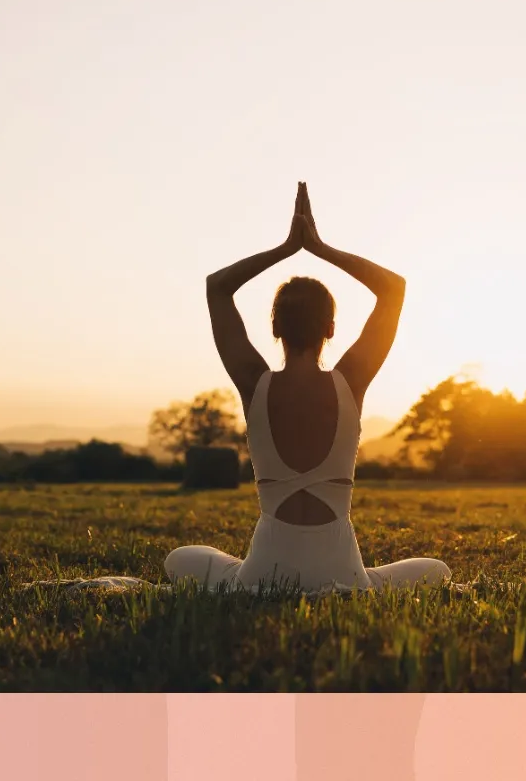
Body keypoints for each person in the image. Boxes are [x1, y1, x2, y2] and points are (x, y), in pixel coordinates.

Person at [163, 182, 451, 593]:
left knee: (180, 559)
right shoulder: (351, 382)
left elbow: (218, 287)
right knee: (436, 569)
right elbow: (393, 289)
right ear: (331, 329)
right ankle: (355, 581)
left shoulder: (253, 382)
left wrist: (286, 248)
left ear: (275, 326)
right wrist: (319, 247)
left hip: (263, 574)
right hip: (342, 573)